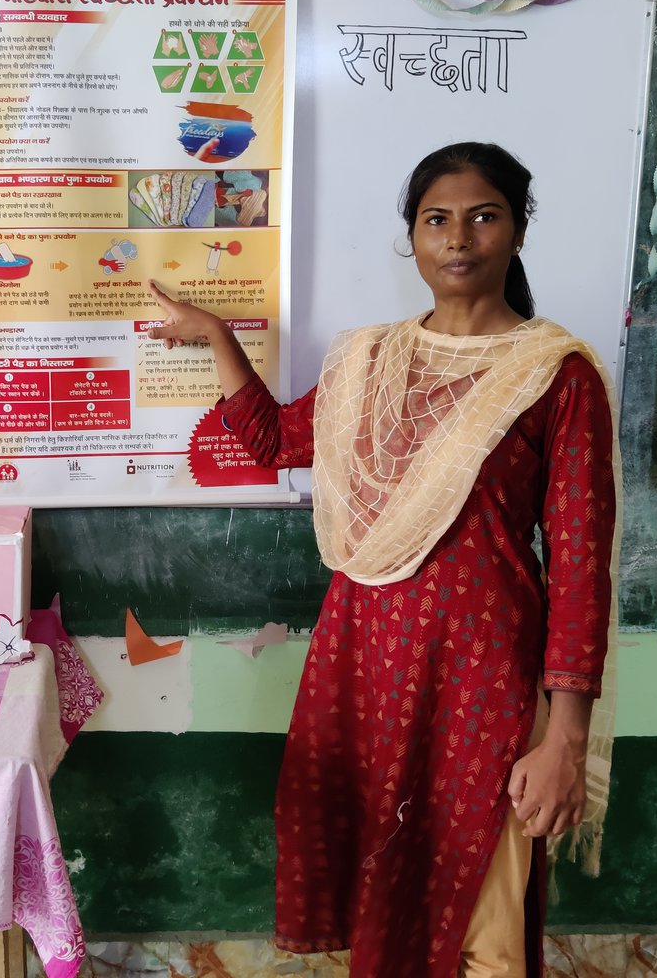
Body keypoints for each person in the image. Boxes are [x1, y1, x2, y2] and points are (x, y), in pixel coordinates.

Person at [147, 142, 619, 978]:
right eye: (437, 219)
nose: (459, 238)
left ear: (517, 231)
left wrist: (566, 740)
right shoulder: (370, 361)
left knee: (487, 918)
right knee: (384, 885)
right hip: (366, 662)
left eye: (485, 216)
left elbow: (581, 565)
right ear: (413, 237)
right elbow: (276, 440)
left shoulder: (556, 375)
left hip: (486, 679)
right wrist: (218, 336)